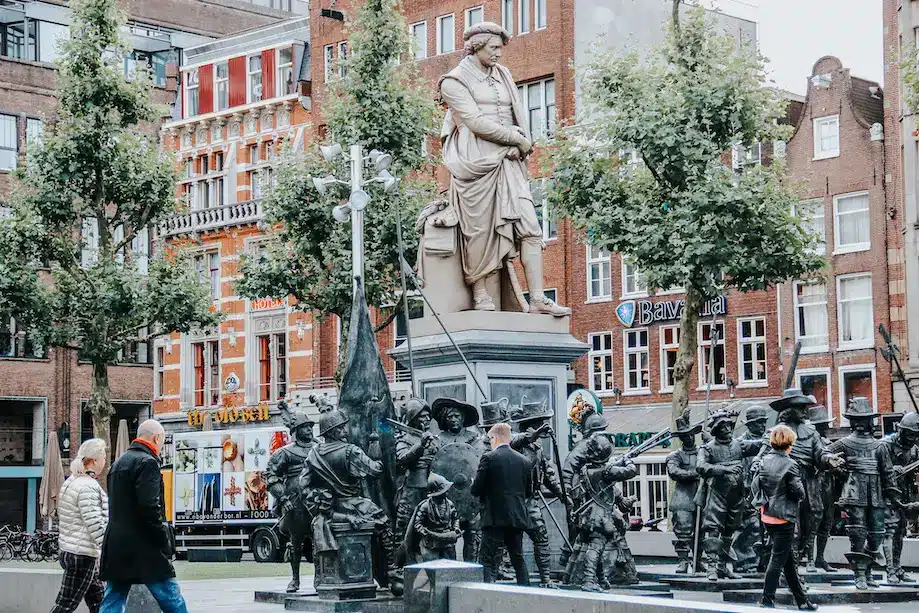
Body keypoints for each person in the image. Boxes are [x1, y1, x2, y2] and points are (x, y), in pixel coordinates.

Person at [438, 22, 570, 316]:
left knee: (530, 227)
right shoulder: (454, 81)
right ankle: (481, 293)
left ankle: (537, 298)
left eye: (500, 48)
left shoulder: (504, 74)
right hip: (477, 165)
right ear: (476, 46)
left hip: (509, 162)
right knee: (480, 231)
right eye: (493, 48)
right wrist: (514, 137)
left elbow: (517, 114)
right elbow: (473, 121)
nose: (499, 53)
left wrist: (523, 141)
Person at [100, 419, 187, 613]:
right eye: (162, 440)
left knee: (113, 598)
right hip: (145, 548)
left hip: (117, 545)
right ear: (157, 438)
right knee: (172, 599)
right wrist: (162, 539)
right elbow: (150, 507)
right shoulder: (148, 463)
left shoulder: (117, 464)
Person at [827, 398, 899, 590]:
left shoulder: (879, 446)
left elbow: (888, 472)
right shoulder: (843, 443)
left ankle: (867, 567)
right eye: (856, 419)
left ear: (870, 421)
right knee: (857, 534)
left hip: (876, 494)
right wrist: (838, 468)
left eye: (863, 419)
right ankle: (859, 574)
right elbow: (826, 456)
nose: (859, 423)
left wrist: (893, 497)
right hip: (854, 492)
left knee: (876, 535)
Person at [767, 388, 843, 568]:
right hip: (786, 484)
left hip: (809, 483)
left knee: (814, 519)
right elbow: (765, 454)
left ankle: (803, 555)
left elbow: (821, 453)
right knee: (791, 525)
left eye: (805, 407)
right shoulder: (775, 432)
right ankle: (791, 565)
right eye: (800, 407)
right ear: (789, 409)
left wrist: (829, 460)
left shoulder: (811, 433)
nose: (805, 410)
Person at [753, 425, 818, 610]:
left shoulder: (764, 461)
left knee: (788, 562)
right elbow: (799, 493)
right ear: (789, 442)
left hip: (767, 516)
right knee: (777, 561)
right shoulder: (791, 464)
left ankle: (802, 601)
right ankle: (767, 600)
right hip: (784, 518)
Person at [696, 408, 763, 581]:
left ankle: (722, 566)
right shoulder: (708, 448)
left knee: (729, 531)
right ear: (716, 430)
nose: (727, 429)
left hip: (737, 495)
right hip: (717, 493)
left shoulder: (739, 445)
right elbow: (701, 467)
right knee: (713, 529)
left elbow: (759, 445)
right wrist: (724, 468)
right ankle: (711, 566)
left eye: (728, 425)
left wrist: (772, 437)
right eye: (722, 426)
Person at [509, 403, 564, 588]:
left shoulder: (538, 448)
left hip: (531, 502)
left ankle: (546, 579)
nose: (543, 425)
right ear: (529, 425)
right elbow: (513, 442)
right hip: (513, 503)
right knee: (508, 544)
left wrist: (562, 494)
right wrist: (533, 434)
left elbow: (548, 475)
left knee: (541, 538)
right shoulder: (514, 443)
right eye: (539, 423)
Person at [472, 422, 533, 585]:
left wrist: (475, 483)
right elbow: (529, 492)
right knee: (518, 559)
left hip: (493, 519)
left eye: (490, 439)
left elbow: (476, 489)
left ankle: (484, 595)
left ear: (494, 438)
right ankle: (526, 593)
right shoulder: (525, 461)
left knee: (486, 559)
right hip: (516, 518)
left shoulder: (488, 458)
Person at [52, 438, 109, 613]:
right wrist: (108, 549)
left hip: (72, 550)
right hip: (82, 555)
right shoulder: (88, 486)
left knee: (100, 604)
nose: (105, 461)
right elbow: (95, 524)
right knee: (66, 605)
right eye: (104, 457)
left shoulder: (71, 481)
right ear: (94, 460)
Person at [265, 400, 316, 593]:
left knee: (320, 541)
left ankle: (320, 578)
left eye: (310, 427)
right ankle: (295, 578)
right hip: (295, 503)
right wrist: (283, 498)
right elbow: (271, 476)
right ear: (296, 430)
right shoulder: (285, 453)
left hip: (317, 501)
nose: (309, 431)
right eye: (304, 428)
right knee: (296, 543)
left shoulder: (319, 448)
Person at [880, 411, 919, 584]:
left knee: (901, 532)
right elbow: (875, 467)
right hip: (887, 492)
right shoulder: (885, 445)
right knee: (889, 531)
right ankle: (890, 571)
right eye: (909, 434)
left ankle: (898, 568)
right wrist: (892, 469)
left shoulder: (915, 449)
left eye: (915, 435)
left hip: (904, 493)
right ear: (901, 430)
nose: (912, 439)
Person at [666, 413, 703, 574]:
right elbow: (674, 472)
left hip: (701, 496)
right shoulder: (675, 456)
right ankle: (683, 561)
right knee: (683, 531)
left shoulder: (703, 452)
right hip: (683, 498)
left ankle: (698, 561)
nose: (689, 438)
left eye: (690, 435)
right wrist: (696, 473)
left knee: (701, 531)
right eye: (685, 436)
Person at [734, 406, 769, 574]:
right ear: (749, 425)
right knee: (750, 527)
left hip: (767, 491)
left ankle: (762, 561)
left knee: (765, 530)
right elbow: (750, 447)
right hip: (747, 491)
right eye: (758, 423)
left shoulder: (768, 440)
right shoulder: (741, 442)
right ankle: (745, 561)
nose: (762, 426)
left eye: (764, 422)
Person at [807, 405, 838, 572]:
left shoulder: (828, 443)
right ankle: (810, 560)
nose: (827, 427)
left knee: (826, 524)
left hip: (828, 488)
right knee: (814, 523)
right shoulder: (810, 441)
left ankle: (820, 558)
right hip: (815, 487)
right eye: (824, 424)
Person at [405, 473, 462, 562]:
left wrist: (456, 528)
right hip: (431, 543)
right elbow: (417, 524)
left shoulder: (450, 504)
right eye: (444, 490)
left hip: (447, 543)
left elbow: (455, 518)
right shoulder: (425, 506)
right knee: (433, 569)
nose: (447, 492)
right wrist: (425, 533)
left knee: (450, 567)